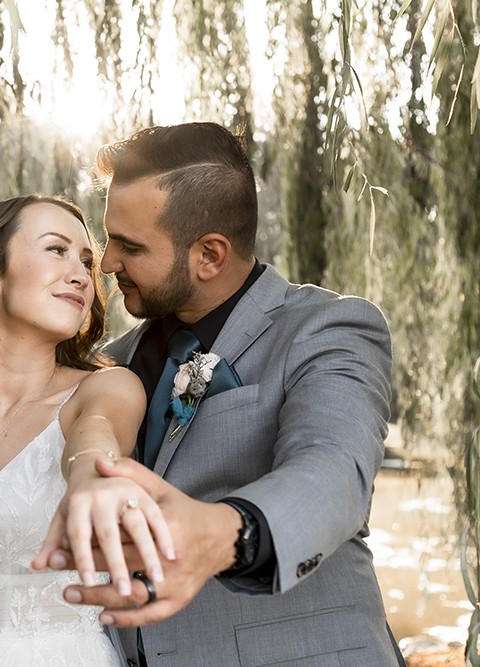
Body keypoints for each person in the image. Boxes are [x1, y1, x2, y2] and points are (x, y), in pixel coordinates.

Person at [32, 123, 405, 666]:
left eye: (130, 246)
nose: (106, 262)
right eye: (109, 237)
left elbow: (333, 473)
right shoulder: (108, 363)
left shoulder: (326, 328)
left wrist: (224, 535)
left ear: (209, 254)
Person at [0, 194, 175, 666]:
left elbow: (96, 437)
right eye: (56, 250)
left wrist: (89, 479)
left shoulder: (106, 389)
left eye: (86, 260)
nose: (82, 274)